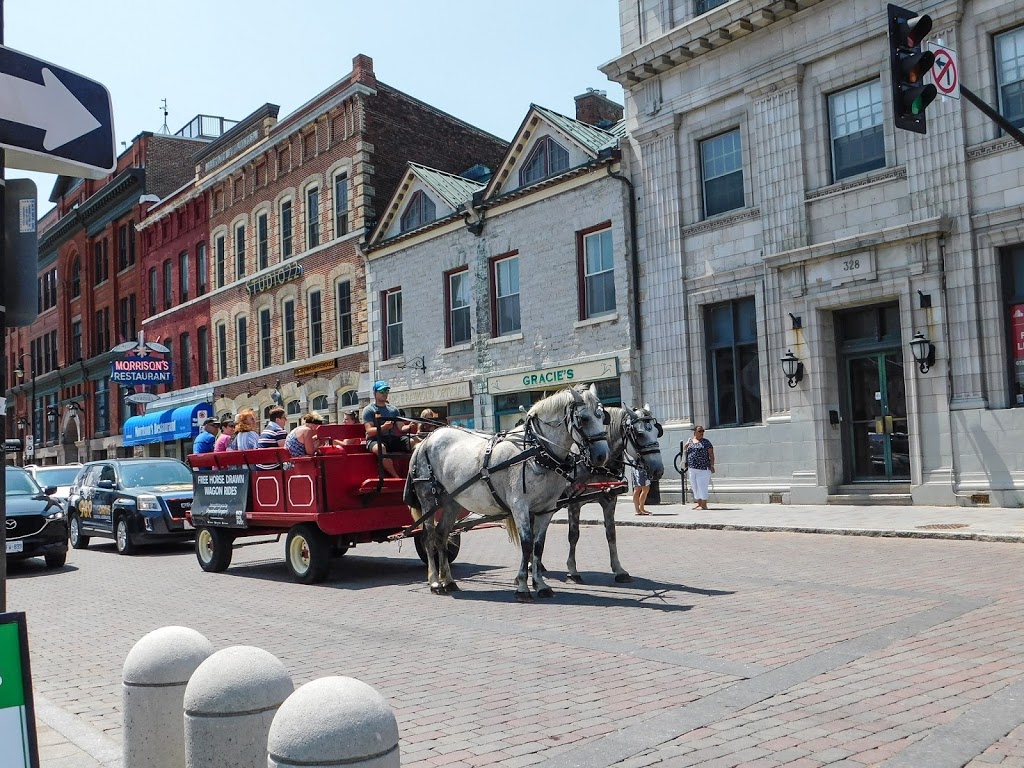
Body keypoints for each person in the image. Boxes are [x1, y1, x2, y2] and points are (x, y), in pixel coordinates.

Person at [362, 380, 415, 477]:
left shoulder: (393, 409)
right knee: (380, 448)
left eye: (386, 391)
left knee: (412, 442)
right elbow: (369, 432)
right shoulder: (369, 410)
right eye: (382, 391)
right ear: (375, 393)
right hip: (375, 439)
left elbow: (401, 427)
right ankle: (396, 477)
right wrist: (383, 427)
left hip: (391, 439)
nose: (385, 393)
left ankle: (415, 473)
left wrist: (409, 426)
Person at [685, 425, 715, 510]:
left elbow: (711, 454)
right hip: (692, 468)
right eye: (700, 431)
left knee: (702, 486)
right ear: (695, 432)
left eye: (703, 431)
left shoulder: (706, 442)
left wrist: (712, 465)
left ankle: (704, 504)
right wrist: (686, 445)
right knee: (694, 487)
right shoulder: (690, 442)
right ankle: (699, 503)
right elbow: (685, 452)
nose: (702, 433)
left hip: (703, 468)